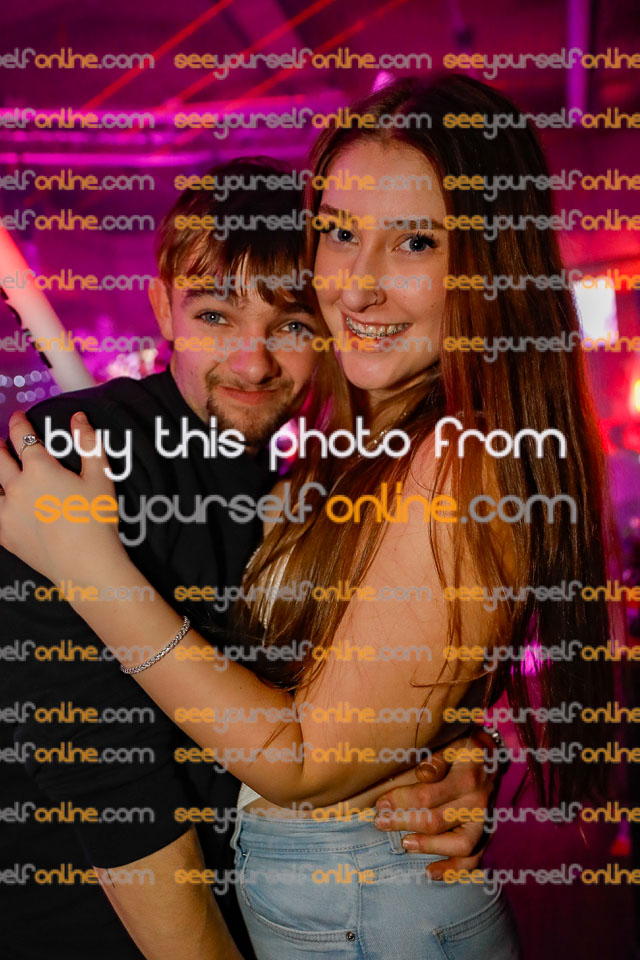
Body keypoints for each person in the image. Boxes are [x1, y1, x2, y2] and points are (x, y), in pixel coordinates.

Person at [0, 156, 498, 960]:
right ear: (161, 307)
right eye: (215, 315)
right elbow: (104, 779)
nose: (254, 362)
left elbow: (342, 705)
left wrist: (447, 753)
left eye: (292, 325)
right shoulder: (77, 456)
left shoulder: (306, 486)